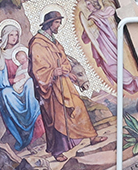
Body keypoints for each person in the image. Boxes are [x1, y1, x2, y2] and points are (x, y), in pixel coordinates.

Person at [28, 9, 98, 158]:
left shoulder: (55, 42)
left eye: (59, 22)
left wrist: (66, 71)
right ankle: (58, 151)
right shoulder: (37, 44)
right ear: (49, 24)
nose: (59, 25)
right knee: (57, 118)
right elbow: (37, 69)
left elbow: (64, 60)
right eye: (57, 22)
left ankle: (92, 136)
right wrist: (53, 73)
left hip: (64, 83)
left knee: (78, 105)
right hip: (50, 88)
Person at [0, 19, 41, 150]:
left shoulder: (22, 51)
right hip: (9, 88)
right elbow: (0, 83)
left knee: (30, 83)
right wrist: (15, 80)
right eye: (11, 35)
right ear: (6, 36)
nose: (14, 38)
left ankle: (32, 116)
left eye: (16, 34)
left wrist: (26, 76)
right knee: (5, 93)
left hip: (25, 84)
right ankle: (22, 130)